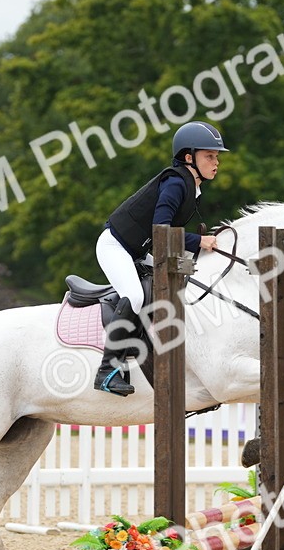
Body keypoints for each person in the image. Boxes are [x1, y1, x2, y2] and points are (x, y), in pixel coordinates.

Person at [92, 121, 226, 396]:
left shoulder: (191, 185)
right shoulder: (176, 183)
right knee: (135, 296)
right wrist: (198, 240)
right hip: (115, 247)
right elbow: (161, 231)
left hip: (137, 251)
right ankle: (108, 370)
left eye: (217, 156)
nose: (216, 162)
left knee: (184, 284)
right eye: (209, 156)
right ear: (189, 158)